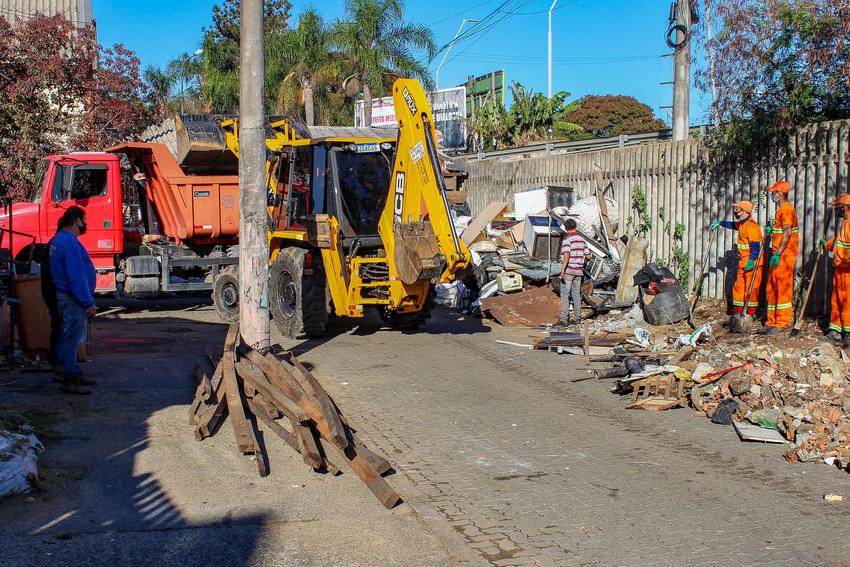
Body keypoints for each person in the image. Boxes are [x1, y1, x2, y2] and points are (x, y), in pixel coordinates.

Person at [49, 206, 96, 395]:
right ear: (77, 220)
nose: (85, 224)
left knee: (68, 337)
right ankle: (70, 378)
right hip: (72, 298)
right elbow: (76, 275)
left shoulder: (59, 240)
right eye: (84, 219)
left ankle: (74, 372)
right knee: (72, 339)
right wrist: (88, 301)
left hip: (65, 296)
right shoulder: (68, 243)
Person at [710, 201, 762, 321]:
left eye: (738, 210)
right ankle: (737, 313)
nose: (736, 213)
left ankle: (750, 313)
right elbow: (733, 225)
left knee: (751, 288)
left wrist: (751, 260)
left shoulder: (752, 226)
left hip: (752, 262)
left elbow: (755, 247)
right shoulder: (743, 224)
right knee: (739, 286)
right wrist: (720, 223)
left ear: (745, 211)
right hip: (743, 261)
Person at [761, 180, 798, 334]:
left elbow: (788, 233)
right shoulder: (781, 209)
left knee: (782, 288)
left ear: (780, 194)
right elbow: (781, 231)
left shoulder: (787, 209)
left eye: (773, 193)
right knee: (772, 288)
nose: (772, 195)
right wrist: (772, 229)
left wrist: (777, 253)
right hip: (779, 254)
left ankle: (781, 322)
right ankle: (771, 321)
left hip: (784, 255)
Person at [820, 194, 850, 347]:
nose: (836, 210)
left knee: (847, 302)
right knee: (837, 300)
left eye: (838, 207)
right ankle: (835, 330)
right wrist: (827, 244)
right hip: (840, 269)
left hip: (848, 271)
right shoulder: (845, 224)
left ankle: (849, 334)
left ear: (844, 207)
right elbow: (840, 242)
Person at [38, 230, 63, 380]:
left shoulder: (53, 245)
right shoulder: (60, 245)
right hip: (56, 295)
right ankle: (61, 366)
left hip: (52, 294)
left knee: (58, 328)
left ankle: (58, 364)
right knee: (61, 330)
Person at [559, 219, 589, 326]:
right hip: (579, 272)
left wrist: (562, 270)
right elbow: (589, 255)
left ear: (566, 228)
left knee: (565, 294)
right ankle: (577, 318)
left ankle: (564, 319)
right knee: (576, 295)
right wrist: (582, 261)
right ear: (575, 227)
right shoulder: (582, 240)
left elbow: (566, 254)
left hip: (569, 271)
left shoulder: (567, 239)